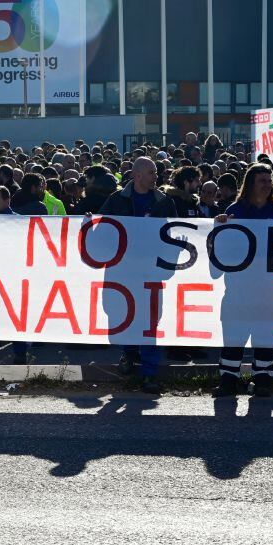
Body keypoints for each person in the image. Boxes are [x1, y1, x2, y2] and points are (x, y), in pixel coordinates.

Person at [213, 163, 273, 397]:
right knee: (233, 337)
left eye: (268, 181)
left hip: (268, 288)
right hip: (238, 288)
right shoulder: (235, 209)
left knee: (265, 337)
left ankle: (262, 380)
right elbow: (224, 250)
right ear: (250, 184)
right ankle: (228, 381)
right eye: (261, 181)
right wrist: (220, 226)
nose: (266, 185)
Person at [100, 157, 175, 394]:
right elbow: (103, 229)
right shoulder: (116, 199)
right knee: (124, 316)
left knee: (150, 321)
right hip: (123, 272)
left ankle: (149, 373)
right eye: (152, 172)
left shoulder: (164, 202)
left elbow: (173, 234)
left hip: (151, 272)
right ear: (138, 175)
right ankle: (129, 355)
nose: (157, 176)